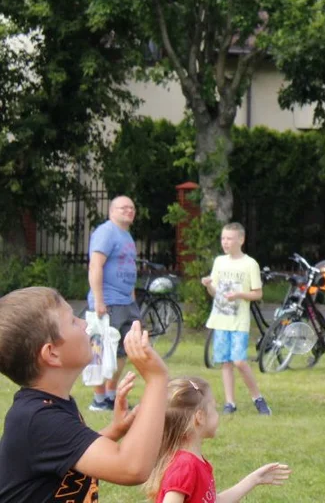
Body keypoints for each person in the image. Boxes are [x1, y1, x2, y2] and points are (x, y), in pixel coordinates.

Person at [0, 286, 169, 501]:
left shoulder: (48, 407)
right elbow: (132, 467)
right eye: (73, 321)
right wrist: (156, 380)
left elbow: (70, 454)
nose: (85, 324)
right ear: (51, 353)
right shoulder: (38, 419)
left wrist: (114, 430)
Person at [144, 376, 290, 502]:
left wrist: (254, 479)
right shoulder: (185, 465)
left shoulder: (193, 461)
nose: (217, 414)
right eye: (213, 408)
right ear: (200, 417)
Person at [199, 222, 271, 415]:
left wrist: (239, 295)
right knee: (225, 362)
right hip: (221, 319)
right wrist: (208, 285)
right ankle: (230, 403)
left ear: (241, 240)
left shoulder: (250, 264)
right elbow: (216, 292)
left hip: (239, 320)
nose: (225, 242)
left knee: (239, 361)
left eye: (229, 238)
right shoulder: (219, 262)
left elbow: (257, 294)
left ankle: (258, 397)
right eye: (223, 238)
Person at [86, 195, 141, 412]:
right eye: (123, 207)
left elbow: (130, 269)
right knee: (99, 349)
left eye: (132, 207)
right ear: (111, 211)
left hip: (126, 301)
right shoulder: (106, 232)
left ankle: (110, 394)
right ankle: (98, 399)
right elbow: (95, 266)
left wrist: (132, 298)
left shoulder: (126, 235)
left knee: (123, 350)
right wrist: (99, 300)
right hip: (108, 301)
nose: (129, 211)